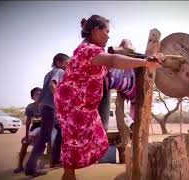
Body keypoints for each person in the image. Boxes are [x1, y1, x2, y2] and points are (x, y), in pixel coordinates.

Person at [54, 15, 163, 180]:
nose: (109, 35)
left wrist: (139, 59)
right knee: (73, 145)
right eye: (107, 31)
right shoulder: (89, 50)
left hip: (81, 104)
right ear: (96, 31)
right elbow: (113, 60)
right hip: (73, 103)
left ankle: (69, 173)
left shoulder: (88, 49)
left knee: (95, 140)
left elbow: (111, 65)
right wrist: (146, 63)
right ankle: (69, 175)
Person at [24, 53, 70, 177]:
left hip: (46, 107)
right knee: (45, 137)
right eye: (67, 63)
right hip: (50, 107)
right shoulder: (59, 71)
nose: (68, 65)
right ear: (59, 62)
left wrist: (40, 104)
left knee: (58, 131)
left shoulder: (48, 73)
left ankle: (53, 160)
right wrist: (59, 102)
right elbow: (52, 86)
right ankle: (31, 167)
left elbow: (44, 90)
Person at [13, 87, 42, 173]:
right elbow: (28, 121)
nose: (39, 95)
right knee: (25, 142)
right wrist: (26, 135)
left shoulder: (47, 105)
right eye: (37, 94)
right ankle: (20, 166)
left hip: (46, 127)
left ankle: (34, 167)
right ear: (32, 97)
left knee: (38, 143)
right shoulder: (30, 107)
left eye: (41, 93)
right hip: (35, 127)